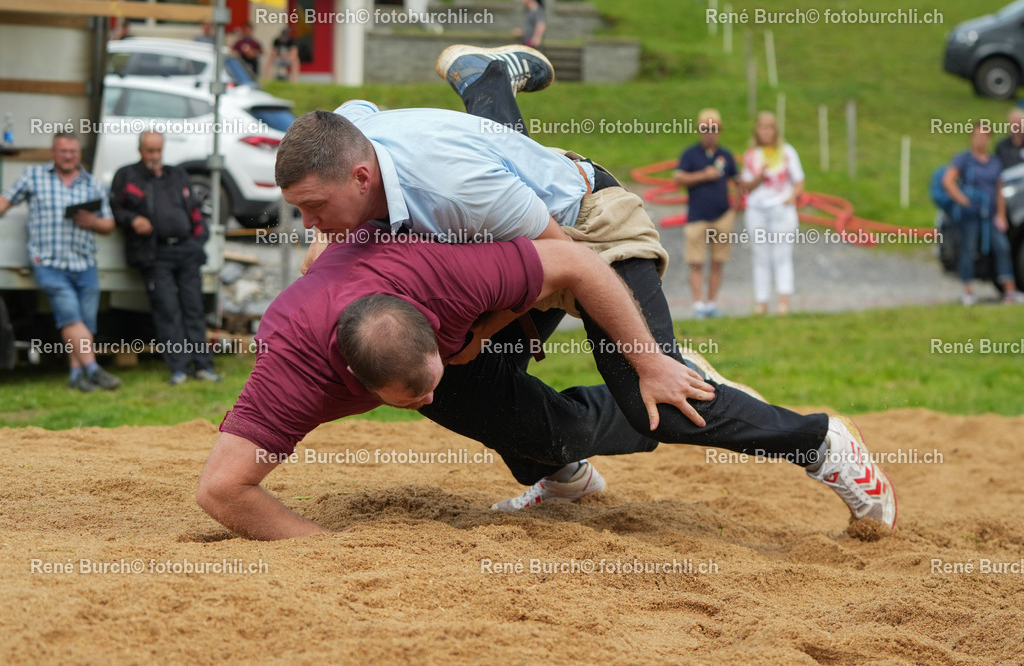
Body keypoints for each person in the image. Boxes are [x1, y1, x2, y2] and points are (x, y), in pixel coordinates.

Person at [196, 230, 896, 541]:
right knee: (494, 408)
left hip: (587, 236)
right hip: (489, 297)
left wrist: (647, 358)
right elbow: (223, 489)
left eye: (435, 369)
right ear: (357, 384)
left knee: (650, 404)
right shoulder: (291, 372)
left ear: (430, 321)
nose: (430, 394)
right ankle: (561, 475)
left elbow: (574, 259)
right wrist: (322, 545)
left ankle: (817, 440)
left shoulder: (440, 277)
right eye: (414, 394)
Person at [0, 131, 121, 392]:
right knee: (70, 318)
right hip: (49, 262)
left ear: (79, 154)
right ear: (54, 152)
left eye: (73, 152)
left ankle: (76, 376)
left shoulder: (91, 183)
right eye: (63, 151)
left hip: (84, 262)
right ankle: (94, 370)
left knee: (85, 323)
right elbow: (6, 200)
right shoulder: (34, 177)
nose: (68, 156)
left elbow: (108, 223)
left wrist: (93, 222)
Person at [109, 131, 221, 384]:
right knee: (167, 310)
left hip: (186, 251)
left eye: (159, 151)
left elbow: (195, 210)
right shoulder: (127, 176)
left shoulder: (176, 174)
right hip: (154, 253)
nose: (155, 156)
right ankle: (180, 369)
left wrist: (197, 241)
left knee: (194, 308)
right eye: (150, 151)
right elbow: (115, 208)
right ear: (140, 151)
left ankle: (204, 366)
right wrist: (133, 219)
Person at [941, 121, 1024, 305]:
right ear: (972, 138)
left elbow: (999, 188)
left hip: (991, 214)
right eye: (978, 136)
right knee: (968, 249)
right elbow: (948, 180)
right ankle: (968, 291)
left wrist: (1001, 215)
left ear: (989, 139)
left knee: (1002, 247)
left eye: (985, 137)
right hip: (970, 214)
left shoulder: (994, 162)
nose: (981, 140)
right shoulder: (964, 159)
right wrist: (963, 200)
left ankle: (1010, 290)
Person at [672, 108, 738, 318]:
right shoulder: (690, 155)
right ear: (699, 130)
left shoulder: (726, 156)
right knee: (696, 261)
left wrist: (734, 209)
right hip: (696, 216)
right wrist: (703, 175)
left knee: (718, 261)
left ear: (720, 130)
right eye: (706, 128)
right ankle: (698, 304)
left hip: (722, 216)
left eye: (714, 128)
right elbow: (678, 178)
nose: (710, 132)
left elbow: (739, 182)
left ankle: (711, 303)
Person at [739, 112, 804, 316]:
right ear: (756, 131)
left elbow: (799, 180)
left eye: (769, 127)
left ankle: (783, 303)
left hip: (781, 210)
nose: (766, 131)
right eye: (762, 127)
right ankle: (762, 303)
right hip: (757, 210)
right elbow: (746, 185)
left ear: (776, 130)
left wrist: (791, 198)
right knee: (760, 256)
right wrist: (759, 175)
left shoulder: (787, 152)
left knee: (782, 255)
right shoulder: (751, 155)